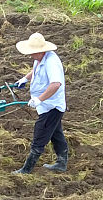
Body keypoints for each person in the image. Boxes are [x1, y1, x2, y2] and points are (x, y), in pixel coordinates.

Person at [12, 32, 68, 174]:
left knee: (40, 132)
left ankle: (26, 169)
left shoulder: (51, 62)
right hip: (47, 105)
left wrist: (39, 99)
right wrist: (25, 79)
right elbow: (36, 70)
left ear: (40, 50)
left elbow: (56, 84)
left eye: (32, 53)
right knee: (56, 133)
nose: (30, 56)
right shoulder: (40, 58)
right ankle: (61, 163)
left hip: (52, 106)